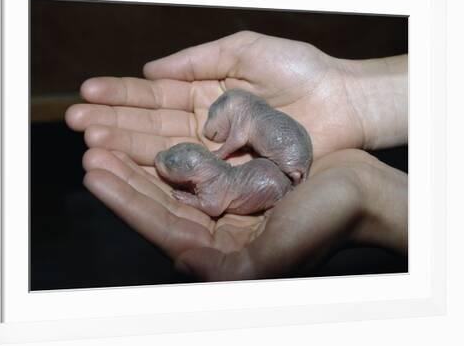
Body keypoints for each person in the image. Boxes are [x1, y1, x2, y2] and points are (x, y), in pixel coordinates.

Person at [65, 30, 408, 281]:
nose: (162, 164)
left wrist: (188, 197)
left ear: (193, 174)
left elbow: (213, 205)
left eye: (170, 164)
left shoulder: (218, 174)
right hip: (279, 168)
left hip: (281, 168)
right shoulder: (226, 155)